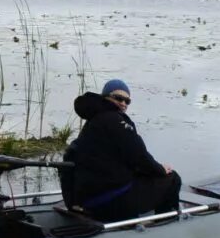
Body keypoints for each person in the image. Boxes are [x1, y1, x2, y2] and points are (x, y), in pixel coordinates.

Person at [62, 79, 182, 222]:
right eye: (118, 98)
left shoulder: (93, 121)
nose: (123, 103)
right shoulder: (115, 121)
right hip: (109, 202)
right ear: (105, 97)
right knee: (172, 178)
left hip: (87, 199)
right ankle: (166, 226)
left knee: (143, 177)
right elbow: (140, 157)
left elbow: (123, 159)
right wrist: (161, 169)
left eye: (127, 101)